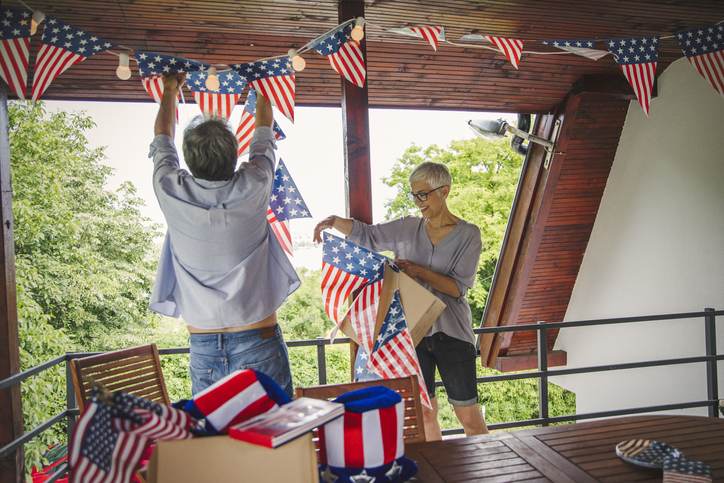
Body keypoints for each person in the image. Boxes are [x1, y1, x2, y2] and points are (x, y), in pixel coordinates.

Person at [148, 73, 299, 398]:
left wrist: (170, 90)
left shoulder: (170, 190)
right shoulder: (255, 184)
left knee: (216, 445)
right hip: (259, 339)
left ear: (188, 159)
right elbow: (263, 138)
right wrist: (263, 88)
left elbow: (162, 140)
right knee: (278, 444)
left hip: (204, 348)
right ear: (234, 155)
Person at [313, 161, 487, 440]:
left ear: (444, 191)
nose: (419, 202)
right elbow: (368, 236)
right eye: (414, 195)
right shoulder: (406, 228)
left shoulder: (469, 234)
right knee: (425, 412)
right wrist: (334, 221)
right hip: (412, 333)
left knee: (468, 415)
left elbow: (457, 288)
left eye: (423, 194)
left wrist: (417, 271)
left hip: (453, 334)